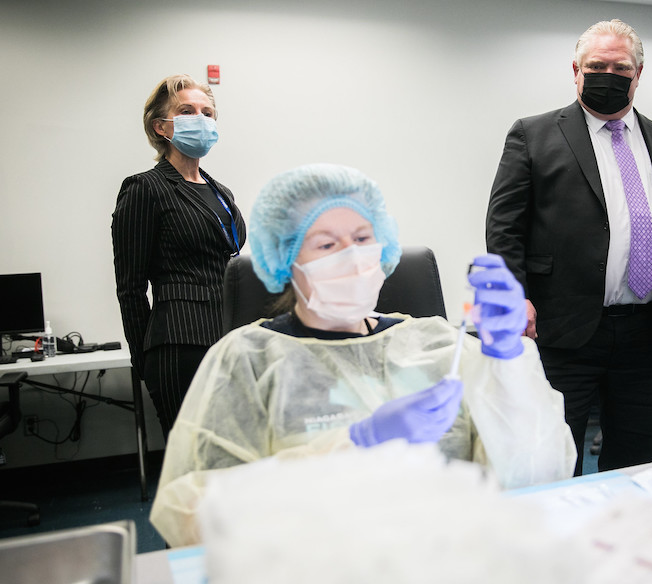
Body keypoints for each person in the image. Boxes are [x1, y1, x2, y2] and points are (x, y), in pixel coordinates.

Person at [151, 163, 576, 547]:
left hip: (447, 570)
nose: (351, 257)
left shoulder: (438, 345)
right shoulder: (248, 360)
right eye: (325, 245)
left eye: (361, 238)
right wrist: (355, 445)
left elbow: (536, 477)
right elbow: (193, 516)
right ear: (285, 258)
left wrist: (507, 363)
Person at [486, 19, 652, 475]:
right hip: (564, 327)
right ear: (575, 70)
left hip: (649, 329)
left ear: (638, 74)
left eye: (619, 67)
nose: (607, 75)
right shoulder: (533, 135)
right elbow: (504, 228)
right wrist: (512, 295)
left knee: (636, 461)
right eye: (596, 65)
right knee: (557, 458)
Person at [112, 74, 246, 440]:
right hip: (179, 341)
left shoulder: (221, 192)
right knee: (194, 458)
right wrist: (144, 360)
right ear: (161, 127)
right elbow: (130, 287)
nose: (201, 119)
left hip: (228, 336)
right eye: (187, 111)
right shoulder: (145, 188)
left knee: (236, 455)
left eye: (207, 112)